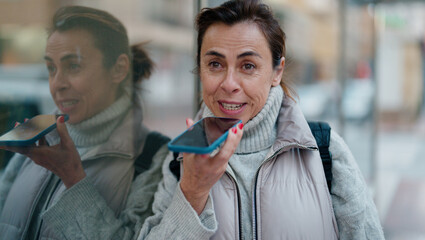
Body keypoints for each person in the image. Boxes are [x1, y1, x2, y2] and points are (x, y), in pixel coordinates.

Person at [137, 0, 385, 239]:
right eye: (215, 64)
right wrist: (193, 192)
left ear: (277, 72)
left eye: (248, 66)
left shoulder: (324, 151)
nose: (229, 84)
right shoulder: (179, 162)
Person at [0, 6, 168, 239]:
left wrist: (73, 178)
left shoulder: (154, 158)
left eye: (73, 66)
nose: (57, 84)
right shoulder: (38, 138)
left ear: (119, 69)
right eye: (51, 68)